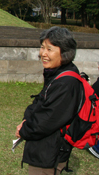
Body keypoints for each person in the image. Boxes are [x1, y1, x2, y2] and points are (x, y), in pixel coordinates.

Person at [15, 26, 83, 175]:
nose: (43, 54)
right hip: (45, 149)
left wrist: (24, 130)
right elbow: (40, 102)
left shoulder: (66, 82)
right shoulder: (57, 74)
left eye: (49, 49)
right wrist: (26, 120)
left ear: (64, 52)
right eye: (42, 47)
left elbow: (47, 120)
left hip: (50, 154)